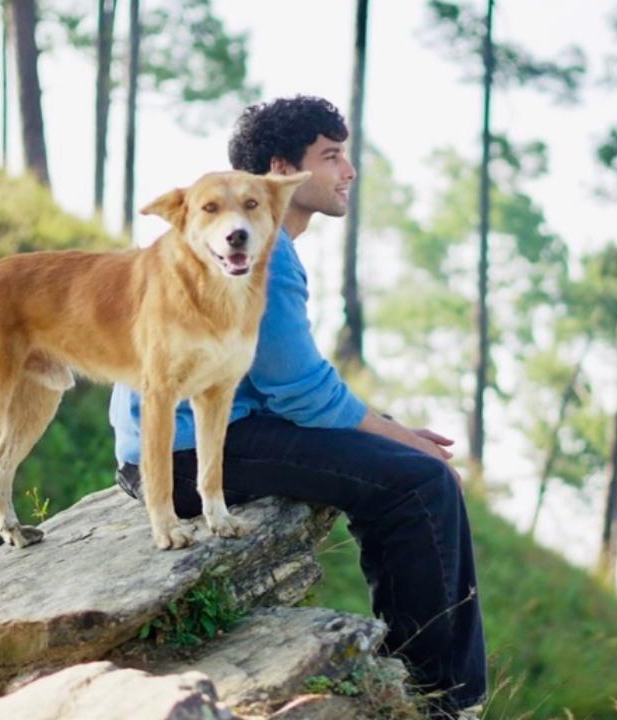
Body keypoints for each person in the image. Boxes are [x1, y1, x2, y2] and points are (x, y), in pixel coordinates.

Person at [110, 95, 486, 717]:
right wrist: (402, 441)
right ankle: (442, 699)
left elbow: (282, 381)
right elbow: (300, 390)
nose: (349, 172)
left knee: (402, 469)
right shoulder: (262, 251)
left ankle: (427, 683)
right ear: (283, 171)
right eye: (331, 156)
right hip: (185, 455)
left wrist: (386, 429)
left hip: (169, 448)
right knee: (420, 482)